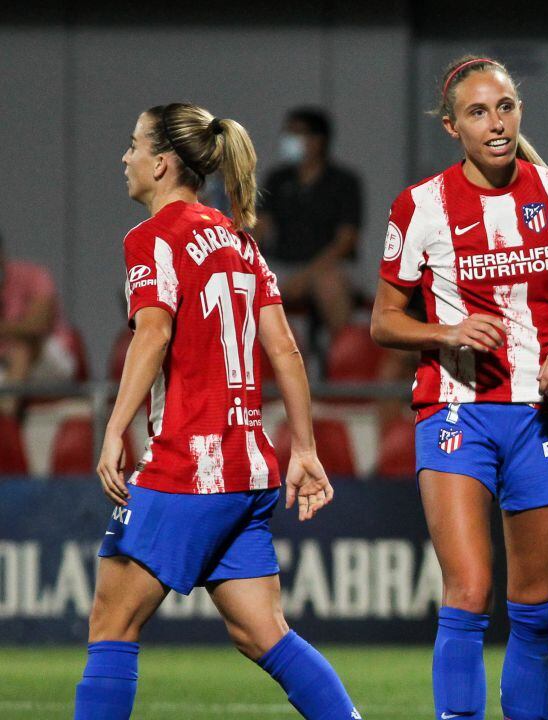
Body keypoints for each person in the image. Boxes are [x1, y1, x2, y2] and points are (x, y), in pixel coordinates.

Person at [75, 103, 361, 720]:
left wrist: (114, 427)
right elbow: (284, 348)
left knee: (111, 622)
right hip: (251, 466)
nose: (124, 158)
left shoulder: (152, 237)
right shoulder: (238, 240)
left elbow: (151, 335)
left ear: (162, 162)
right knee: (262, 632)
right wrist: (304, 449)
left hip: (188, 463)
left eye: (133, 145)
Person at [370, 55, 548, 720]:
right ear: (452, 126)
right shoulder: (421, 206)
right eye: (480, 112)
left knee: (537, 612)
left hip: (539, 420)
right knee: (468, 590)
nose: (497, 122)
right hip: (456, 412)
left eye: (507, 106)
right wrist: (444, 334)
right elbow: (384, 322)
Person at [257, 107, 362, 341]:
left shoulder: (344, 182)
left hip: (327, 267)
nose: (290, 140)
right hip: (282, 265)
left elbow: (346, 241)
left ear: (318, 140)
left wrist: (305, 277)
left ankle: (340, 362)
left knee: (330, 285)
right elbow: (260, 228)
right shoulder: (277, 179)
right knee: (247, 286)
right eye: (288, 133)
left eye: (297, 133)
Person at [0, 232, 80, 414]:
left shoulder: (32, 275)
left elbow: (37, 326)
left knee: (22, 348)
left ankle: (6, 429)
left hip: (50, 361)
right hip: (4, 366)